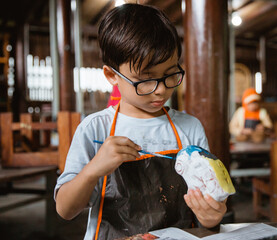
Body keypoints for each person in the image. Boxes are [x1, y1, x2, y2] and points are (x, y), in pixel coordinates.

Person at [54, 4, 227, 240]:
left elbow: (208, 207)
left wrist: (211, 216)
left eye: (170, 74)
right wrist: (94, 168)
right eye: (145, 79)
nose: (161, 90)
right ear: (112, 75)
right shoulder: (95, 128)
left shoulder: (189, 128)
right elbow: (65, 210)